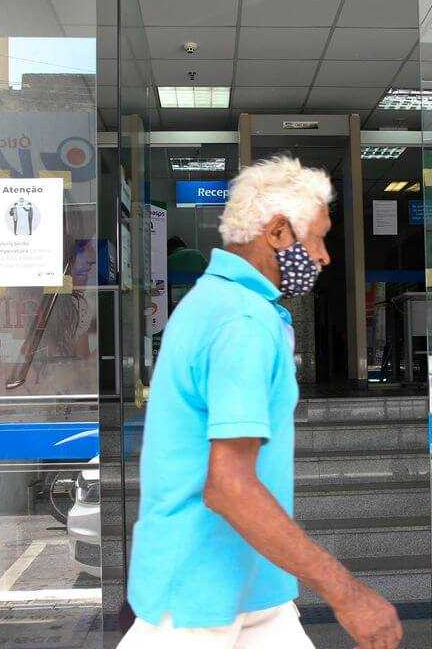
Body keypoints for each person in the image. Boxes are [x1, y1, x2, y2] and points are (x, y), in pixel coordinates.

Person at [121, 155, 403, 649]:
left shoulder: (218, 302)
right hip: (199, 597)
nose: (324, 257)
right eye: (318, 239)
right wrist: (347, 594)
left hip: (247, 587)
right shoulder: (242, 322)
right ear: (277, 232)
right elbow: (229, 487)